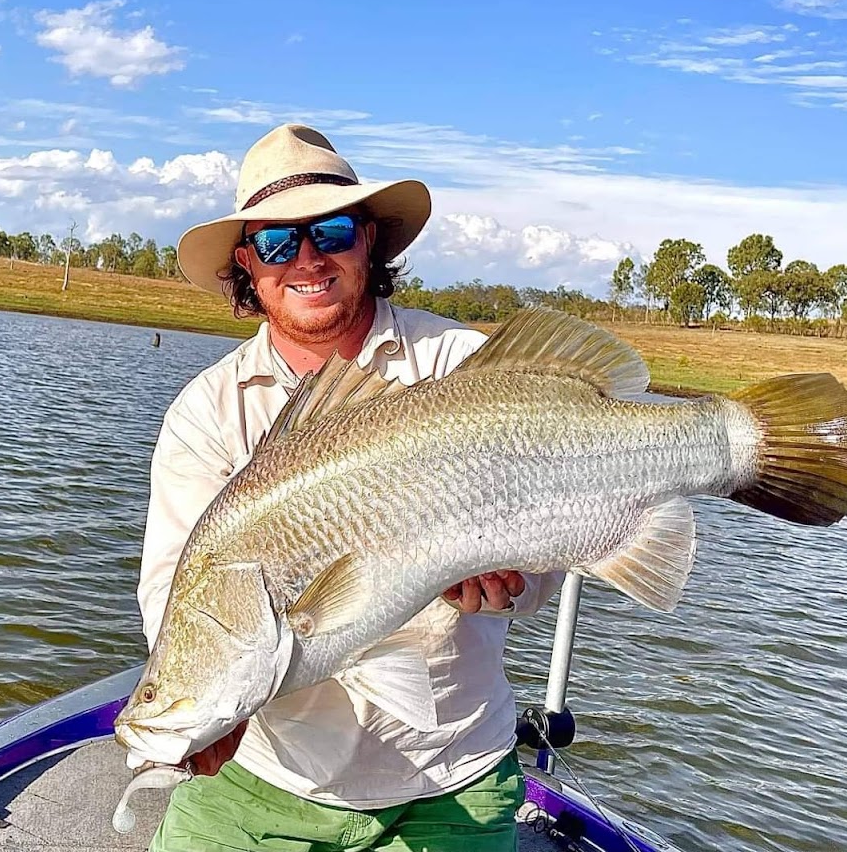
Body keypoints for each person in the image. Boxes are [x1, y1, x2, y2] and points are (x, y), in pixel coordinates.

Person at [136, 123, 564, 851]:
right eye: (276, 242)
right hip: (267, 775)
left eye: (330, 231)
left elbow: (547, 535)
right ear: (248, 263)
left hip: (454, 768)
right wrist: (204, 706)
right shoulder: (207, 410)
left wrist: (519, 581)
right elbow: (173, 594)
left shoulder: (462, 361)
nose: (306, 258)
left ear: (370, 239)